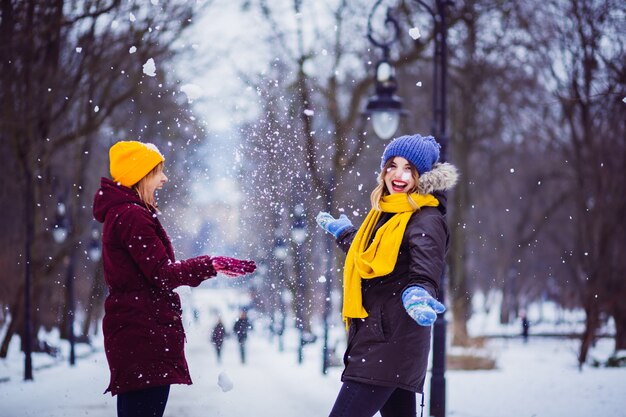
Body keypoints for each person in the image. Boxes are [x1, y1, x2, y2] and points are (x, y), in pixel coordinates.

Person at [93, 140, 256, 417]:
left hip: (137, 332)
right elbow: (163, 274)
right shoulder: (132, 216)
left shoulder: (125, 214)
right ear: (141, 176)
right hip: (142, 332)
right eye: (158, 172)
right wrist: (210, 264)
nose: (164, 178)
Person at [316, 134, 458, 417]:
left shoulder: (426, 218)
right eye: (392, 165)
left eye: (409, 168)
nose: (399, 175)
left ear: (423, 176)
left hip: (389, 343)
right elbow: (374, 256)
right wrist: (345, 234)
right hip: (383, 339)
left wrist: (419, 292)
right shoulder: (388, 212)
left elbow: (425, 268)